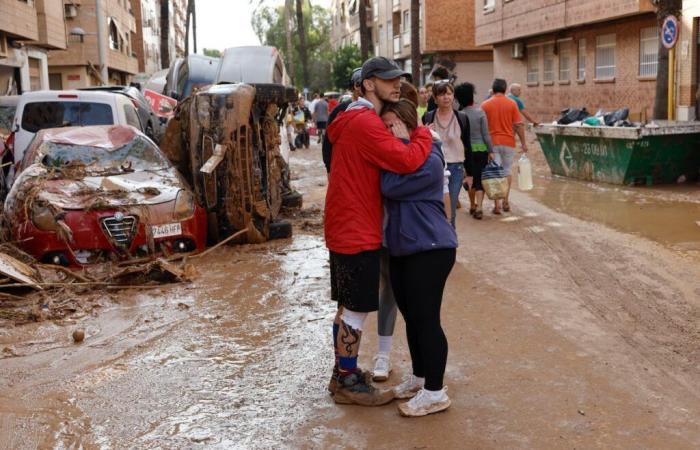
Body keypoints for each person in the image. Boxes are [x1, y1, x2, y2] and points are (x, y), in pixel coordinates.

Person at [325, 56, 433, 406]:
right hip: (357, 227)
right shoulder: (366, 122)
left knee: (346, 307)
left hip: (344, 224)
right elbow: (406, 161)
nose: (396, 84)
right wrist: (421, 134)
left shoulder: (349, 117)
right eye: (388, 80)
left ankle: (345, 373)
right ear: (368, 84)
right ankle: (347, 381)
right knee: (355, 309)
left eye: (397, 78)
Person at [379, 99, 458, 417]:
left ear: (407, 124)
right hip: (402, 248)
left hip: (431, 248)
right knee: (413, 318)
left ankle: (436, 392)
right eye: (383, 126)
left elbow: (389, 185)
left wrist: (399, 145)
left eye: (392, 125)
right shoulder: (400, 155)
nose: (387, 131)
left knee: (427, 320)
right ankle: (420, 378)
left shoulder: (430, 158)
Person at [422, 81, 471, 227]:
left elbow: (467, 145)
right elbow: (421, 144)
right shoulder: (428, 117)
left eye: (449, 93)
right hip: (434, 167)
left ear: (453, 96)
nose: (446, 97)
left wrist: (470, 174)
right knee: (435, 206)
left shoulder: (462, 118)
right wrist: (425, 133)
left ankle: (449, 241)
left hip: (456, 168)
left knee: (451, 209)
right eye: (442, 94)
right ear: (435, 98)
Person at [481, 78, 528, 214]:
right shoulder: (512, 104)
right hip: (508, 142)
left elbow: (482, 127)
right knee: (507, 170)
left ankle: (497, 206)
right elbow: (519, 125)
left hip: (492, 144)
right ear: (505, 89)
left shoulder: (485, 105)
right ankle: (506, 201)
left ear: (493, 88)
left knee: (496, 172)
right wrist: (524, 143)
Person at [455, 82, 494, 220]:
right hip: (481, 150)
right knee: (479, 178)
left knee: (469, 177)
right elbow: (486, 135)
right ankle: (480, 207)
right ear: (472, 97)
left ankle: (472, 205)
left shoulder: (458, 115)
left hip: (466, 151)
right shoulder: (480, 112)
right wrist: (491, 150)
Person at [322, 68, 362, 173]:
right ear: (354, 86)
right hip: (343, 168)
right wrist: (329, 169)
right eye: (359, 85)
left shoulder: (375, 108)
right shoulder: (340, 110)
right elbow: (328, 141)